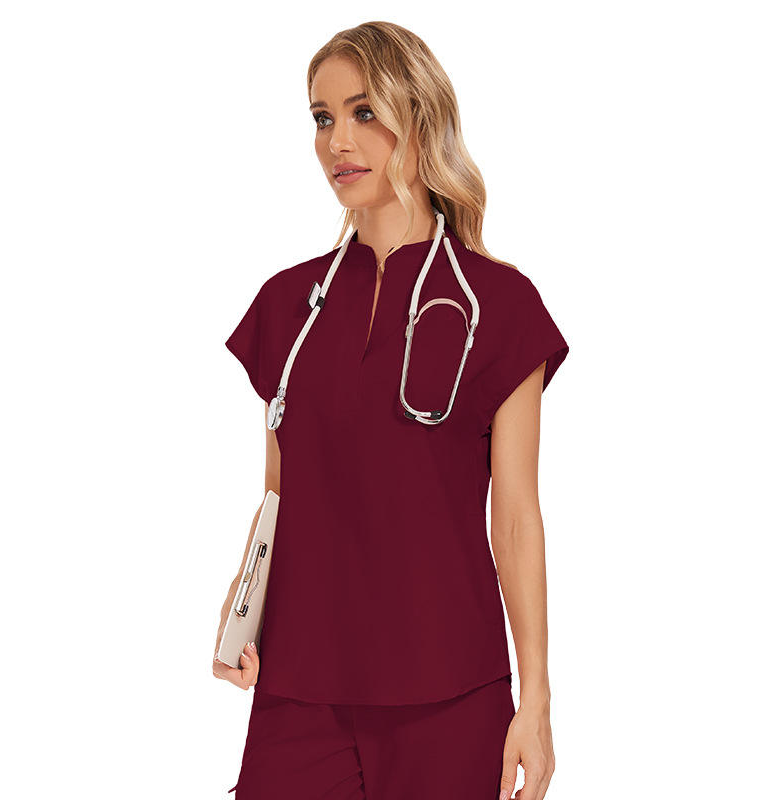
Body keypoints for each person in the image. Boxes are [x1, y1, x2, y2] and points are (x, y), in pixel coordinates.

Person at [213, 21, 569, 800]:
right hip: (300, 686)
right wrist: (244, 605)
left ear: (421, 118)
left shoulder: (500, 307)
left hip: (450, 688)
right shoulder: (289, 306)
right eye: (322, 117)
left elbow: (515, 518)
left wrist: (536, 698)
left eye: (364, 112)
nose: (337, 141)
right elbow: (279, 492)